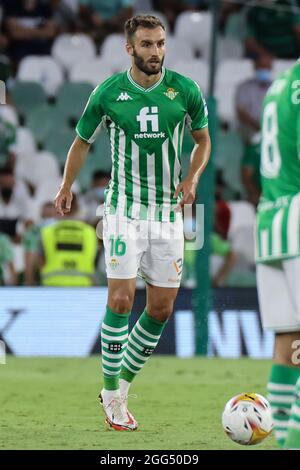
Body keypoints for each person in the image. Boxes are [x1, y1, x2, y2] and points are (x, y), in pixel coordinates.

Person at [55, 14, 210, 431]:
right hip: (123, 209)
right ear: (130, 48)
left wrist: (192, 176)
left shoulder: (186, 89)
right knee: (121, 301)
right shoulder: (107, 93)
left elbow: (203, 139)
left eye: (160, 44)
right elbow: (82, 141)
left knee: (160, 309)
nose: (155, 52)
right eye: (146, 44)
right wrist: (67, 185)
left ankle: (119, 386)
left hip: (168, 213)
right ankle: (110, 394)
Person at [256, 61, 300, 449]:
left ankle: (284, 442)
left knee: (289, 343)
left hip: (271, 221)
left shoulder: (280, 82)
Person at [39, 194, 98, 287]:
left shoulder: (47, 232)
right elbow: (95, 261)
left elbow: (38, 261)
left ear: (57, 207)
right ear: (78, 208)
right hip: (83, 286)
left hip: (52, 285)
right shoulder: (89, 232)